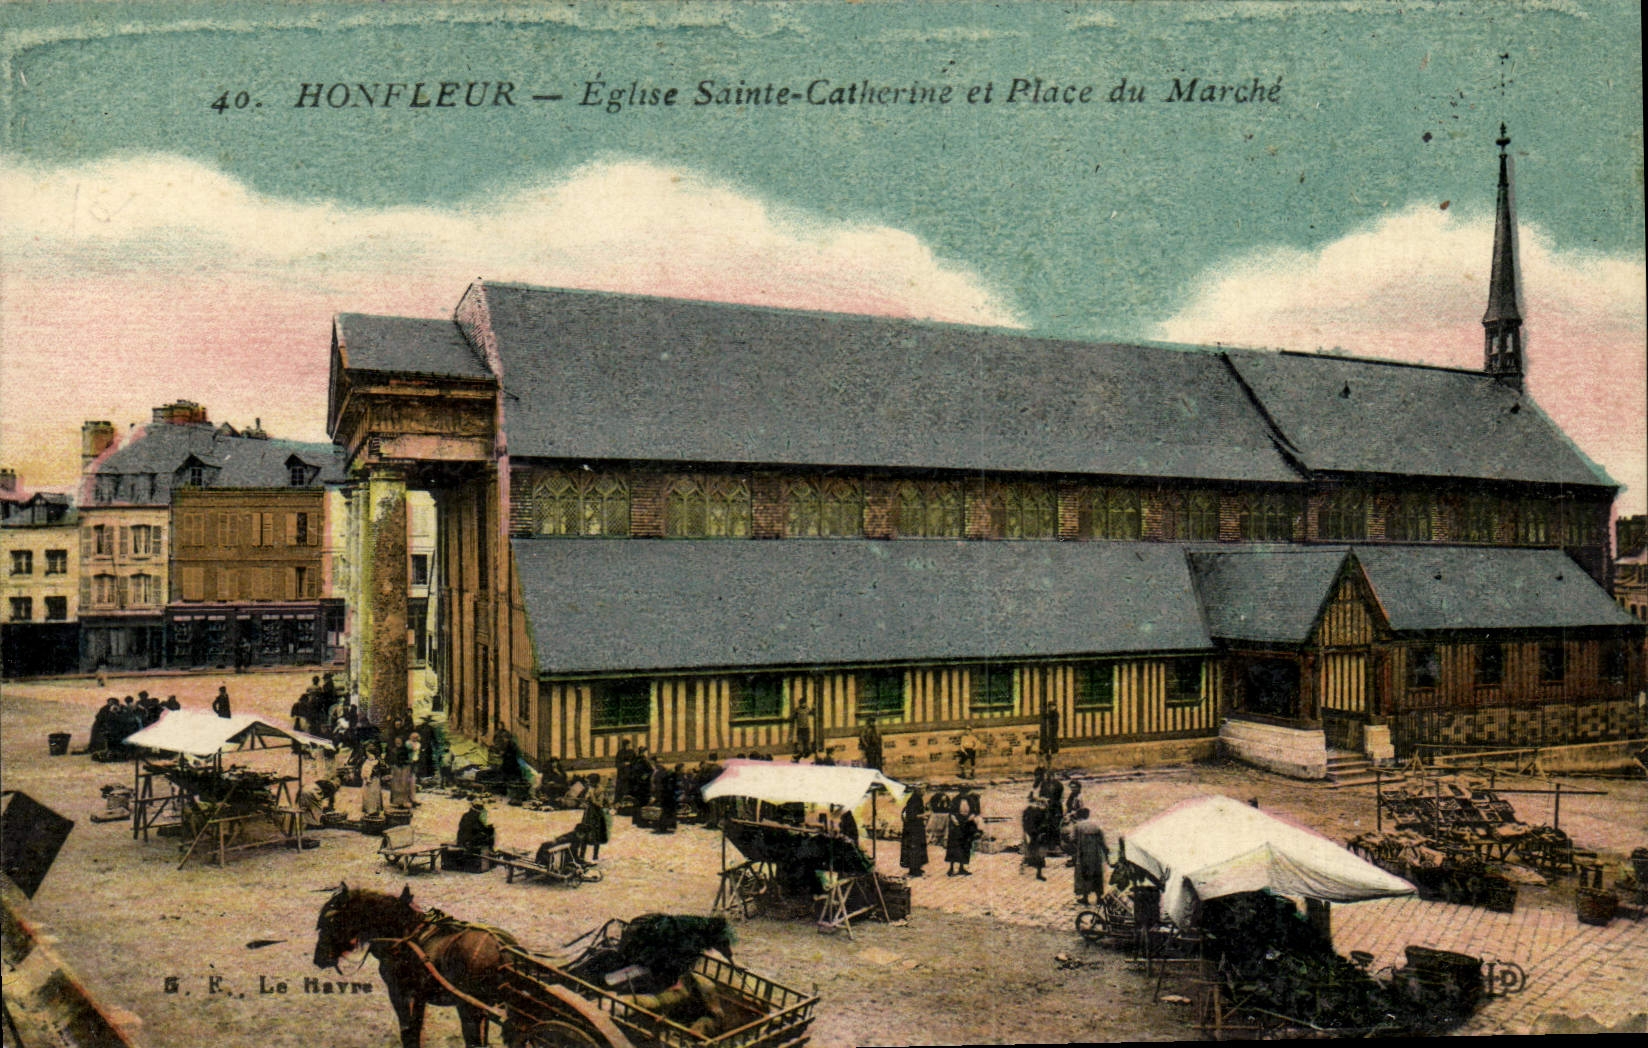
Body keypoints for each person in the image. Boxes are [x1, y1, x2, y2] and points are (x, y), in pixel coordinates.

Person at [1072, 807, 1108, 905]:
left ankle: (1085, 897)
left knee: (1084, 875)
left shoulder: (1077, 826)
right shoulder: (1096, 825)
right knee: (1097, 875)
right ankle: (1099, 897)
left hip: (1083, 854)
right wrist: (1106, 853)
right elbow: (1102, 841)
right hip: (1096, 855)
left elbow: (1072, 839)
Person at [451, 801, 495, 872]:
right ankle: (489, 852)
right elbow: (472, 830)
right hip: (466, 840)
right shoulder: (471, 818)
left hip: (467, 839)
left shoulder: (471, 816)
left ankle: (489, 852)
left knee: (488, 834)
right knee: (486, 838)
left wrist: (488, 829)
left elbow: (480, 827)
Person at [576, 777, 610, 861]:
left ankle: (595, 856)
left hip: (596, 815)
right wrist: (586, 800)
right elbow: (586, 799)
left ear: (595, 782)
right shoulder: (590, 788)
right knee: (584, 833)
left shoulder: (601, 791)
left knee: (596, 835)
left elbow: (599, 804)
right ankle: (581, 855)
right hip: (588, 814)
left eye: (591, 782)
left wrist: (592, 797)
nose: (590, 784)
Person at [945, 795, 979, 877]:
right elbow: (951, 812)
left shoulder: (971, 800)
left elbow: (974, 811)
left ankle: (962, 867)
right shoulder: (955, 799)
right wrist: (954, 820)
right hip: (956, 825)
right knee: (954, 846)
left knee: (965, 846)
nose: (964, 793)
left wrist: (971, 817)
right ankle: (951, 868)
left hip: (967, 824)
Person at [900, 788, 929, 878]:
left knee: (917, 848)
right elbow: (911, 815)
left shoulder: (918, 799)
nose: (924, 792)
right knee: (914, 848)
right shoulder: (913, 800)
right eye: (922, 790)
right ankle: (914, 870)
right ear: (917, 790)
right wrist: (923, 815)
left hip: (916, 828)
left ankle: (917, 868)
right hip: (912, 829)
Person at [1021, 799, 1048, 881]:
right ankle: (1037, 871)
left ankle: (1034, 869)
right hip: (1035, 834)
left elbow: (1025, 822)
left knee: (1032, 851)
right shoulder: (1039, 812)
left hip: (1032, 833)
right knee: (1037, 852)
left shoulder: (1029, 810)